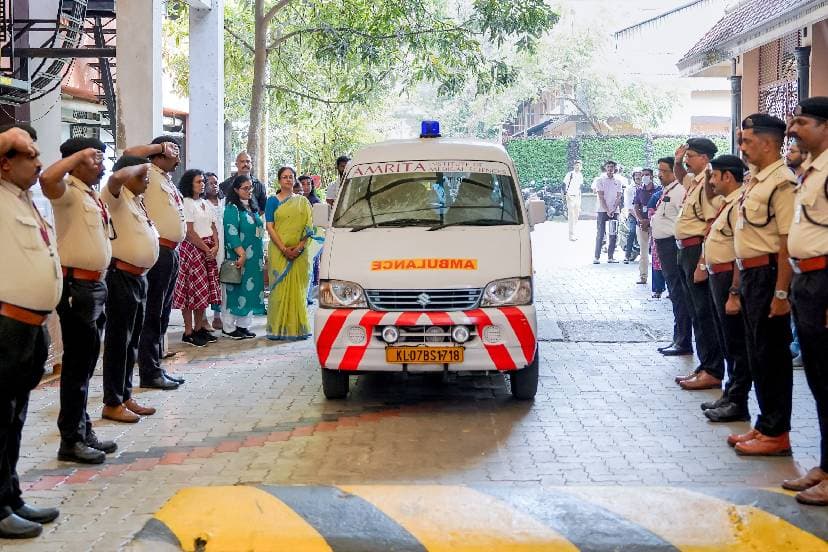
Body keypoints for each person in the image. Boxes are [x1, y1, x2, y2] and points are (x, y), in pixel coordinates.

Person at [0, 126, 62, 539]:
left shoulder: (23, 200)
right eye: (29, 155)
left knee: (15, 418)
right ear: (5, 161)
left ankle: (10, 495)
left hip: (30, 327)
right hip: (5, 326)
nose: (39, 162)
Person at [39, 138, 114, 465]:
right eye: (93, 158)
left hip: (95, 286)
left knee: (86, 364)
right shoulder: (66, 190)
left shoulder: (89, 192)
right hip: (76, 288)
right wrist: (76, 157)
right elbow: (47, 179)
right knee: (76, 367)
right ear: (75, 161)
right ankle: (70, 439)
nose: (99, 165)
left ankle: (82, 430)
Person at [728, 114, 797, 457]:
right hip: (752, 276)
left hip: (769, 276)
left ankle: (777, 432)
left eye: (747, 141)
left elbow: (786, 242)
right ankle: (765, 424)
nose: (742, 147)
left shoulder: (782, 182)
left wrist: (781, 292)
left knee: (772, 355)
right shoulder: (756, 180)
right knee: (757, 353)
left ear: (768, 143)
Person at [784, 96, 828, 505]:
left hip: (825, 280)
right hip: (806, 281)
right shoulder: (809, 172)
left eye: (802, 121)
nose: (793, 128)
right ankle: (825, 466)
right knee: (818, 380)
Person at [100, 157, 159, 424]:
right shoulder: (115, 194)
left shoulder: (136, 199)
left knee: (131, 342)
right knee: (118, 343)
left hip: (138, 277)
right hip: (120, 276)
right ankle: (112, 402)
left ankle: (125, 396)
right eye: (142, 175)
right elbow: (115, 177)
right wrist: (139, 165)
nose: (146, 179)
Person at [125, 137, 185, 391]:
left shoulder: (165, 179)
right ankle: (148, 372)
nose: (178, 156)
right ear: (159, 154)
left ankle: (155, 367)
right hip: (157, 252)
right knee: (151, 314)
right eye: (174, 150)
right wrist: (159, 148)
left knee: (161, 316)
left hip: (171, 252)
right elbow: (129, 152)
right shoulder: (146, 171)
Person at [700, 155, 752, 423]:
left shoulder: (739, 203)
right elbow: (709, 195)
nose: (710, 181)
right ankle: (730, 394)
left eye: (714, 176)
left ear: (728, 177)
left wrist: (734, 292)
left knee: (736, 343)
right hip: (715, 277)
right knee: (725, 340)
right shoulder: (727, 202)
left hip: (728, 279)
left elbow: (738, 251)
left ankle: (738, 400)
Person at [672, 138, 725, 391]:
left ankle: (713, 369)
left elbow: (711, 224)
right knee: (695, 311)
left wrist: (702, 263)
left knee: (704, 312)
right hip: (686, 250)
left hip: (696, 251)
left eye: (691, 155)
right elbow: (681, 176)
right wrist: (677, 160)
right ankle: (706, 365)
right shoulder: (696, 181)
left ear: (705, 158)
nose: (686, 159)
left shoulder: (709, 182)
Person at [173, 169, 221, 347]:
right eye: (198, 182)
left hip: (208, 249)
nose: (202, 184)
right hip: (193, 250)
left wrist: (215, 245)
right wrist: (206, 247)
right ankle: (188, 331)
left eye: (203, 181)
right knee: (190, 292)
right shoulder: (186, 203)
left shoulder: (205, 203)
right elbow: (189, 232)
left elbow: (214, 226)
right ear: (189, 184)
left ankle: (200, 328)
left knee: (203, 292)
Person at [265, 167, 313, 340]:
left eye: (291, 177)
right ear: (279, 180)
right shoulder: (272, 201)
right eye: (284, 177)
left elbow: (309, 228)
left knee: (298, 291)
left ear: (294, 180)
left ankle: (298, 329)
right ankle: (278, 329)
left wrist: (299, 247)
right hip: (279, 252)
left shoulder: (303, 202)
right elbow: (269, 226)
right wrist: (284, 249)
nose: (288, 180)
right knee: (279, 291)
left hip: (300, 253)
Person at [651, 157, 693, 356]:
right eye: (659, 170)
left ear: (675, 172)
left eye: (665, 171)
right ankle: (678, 338)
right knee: (675, 294)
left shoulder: (680, 191)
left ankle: (683, 340)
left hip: (673, 247)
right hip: (664, 247)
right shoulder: (668, 191)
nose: (660, 174)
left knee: (679, 295)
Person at [221, 175, 265, 339]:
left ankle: (243, 325)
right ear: (236, 190)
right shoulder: (232, 209)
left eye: (250, 188)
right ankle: (228, 328)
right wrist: (241, 253)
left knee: (249, 292)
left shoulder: (252, 208)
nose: (249, 191)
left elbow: (259, 232)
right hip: (240, 257)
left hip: (254, 260)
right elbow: (231, 232)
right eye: (245, 188)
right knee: (236, 291)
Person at [204, 172, 224, 331]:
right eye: (210, 183)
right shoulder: (202, 204)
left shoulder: (224, 202)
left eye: (216, 182)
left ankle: (218, 316)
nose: (214, 185)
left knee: (221, 281)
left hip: (224, 246)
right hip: (209, 246)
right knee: (208, 281)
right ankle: (203, 318)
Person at [593, 160, 623, 264]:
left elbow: (619, 196)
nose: (610, 168)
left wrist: (613, 209)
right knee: (600, 233)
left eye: (612, 167)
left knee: (613, 234)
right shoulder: (600, 180)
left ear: (615, 168)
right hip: (602, 210)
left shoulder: (618, 181)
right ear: (605, 168)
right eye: (608, 166)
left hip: (614, 211)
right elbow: (601, 196)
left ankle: (610, 257)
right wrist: (607, 210)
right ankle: (596, 257)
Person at [632, 168, 657, 284]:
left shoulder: (658, 190)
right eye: (642, 175)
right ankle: (643, 276)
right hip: (641, 225)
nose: (644, 177)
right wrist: (641, 220)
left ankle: (659, 279)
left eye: (647, 175)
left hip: (655, 225)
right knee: (643, 252)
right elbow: (636, 206)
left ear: (652, 176)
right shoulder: (639, 190)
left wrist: (650, 220)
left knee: (657, 252)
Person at [647, 188, 666, 298]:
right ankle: (658, 289)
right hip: (658, 233)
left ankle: (671, 289)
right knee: (657, 262)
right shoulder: (656, 196)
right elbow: (650, 214)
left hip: (672, 234)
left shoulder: (680, 193)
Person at [623, 169, 642, 263]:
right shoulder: (629, 188)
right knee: (632, 231)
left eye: (640, 175)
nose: (638, 177)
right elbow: (629, 207)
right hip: (633, 215)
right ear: (633, 177)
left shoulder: (646, 187)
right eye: (636, 175)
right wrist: (638, 218)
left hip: (644, 216)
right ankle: (627, 254)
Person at [564, 160, 583, 240]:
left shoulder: (581, 175)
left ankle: (574, 232)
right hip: (570, 196)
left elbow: (580, 186)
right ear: (574, 166)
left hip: (577, 197)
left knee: (576, 215)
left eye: (579, 165)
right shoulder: (570, 174)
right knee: (571, 215)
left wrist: (579, 196)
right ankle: (571, 235)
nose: (578, 167)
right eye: (576, 165)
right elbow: (564, 184)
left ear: (581, 166)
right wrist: (566, 194)